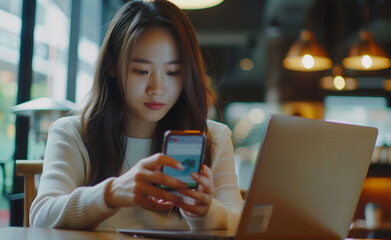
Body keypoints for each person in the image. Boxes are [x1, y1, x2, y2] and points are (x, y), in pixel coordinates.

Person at [30, 0, 243, 231]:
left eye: (172, 72)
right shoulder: (72, 133)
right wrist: (112, 193)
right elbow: (41, 217)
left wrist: (202, 211)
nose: (157, 88)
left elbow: (240, 223)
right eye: (142, 71)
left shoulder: (214, 137)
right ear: (112, 66)